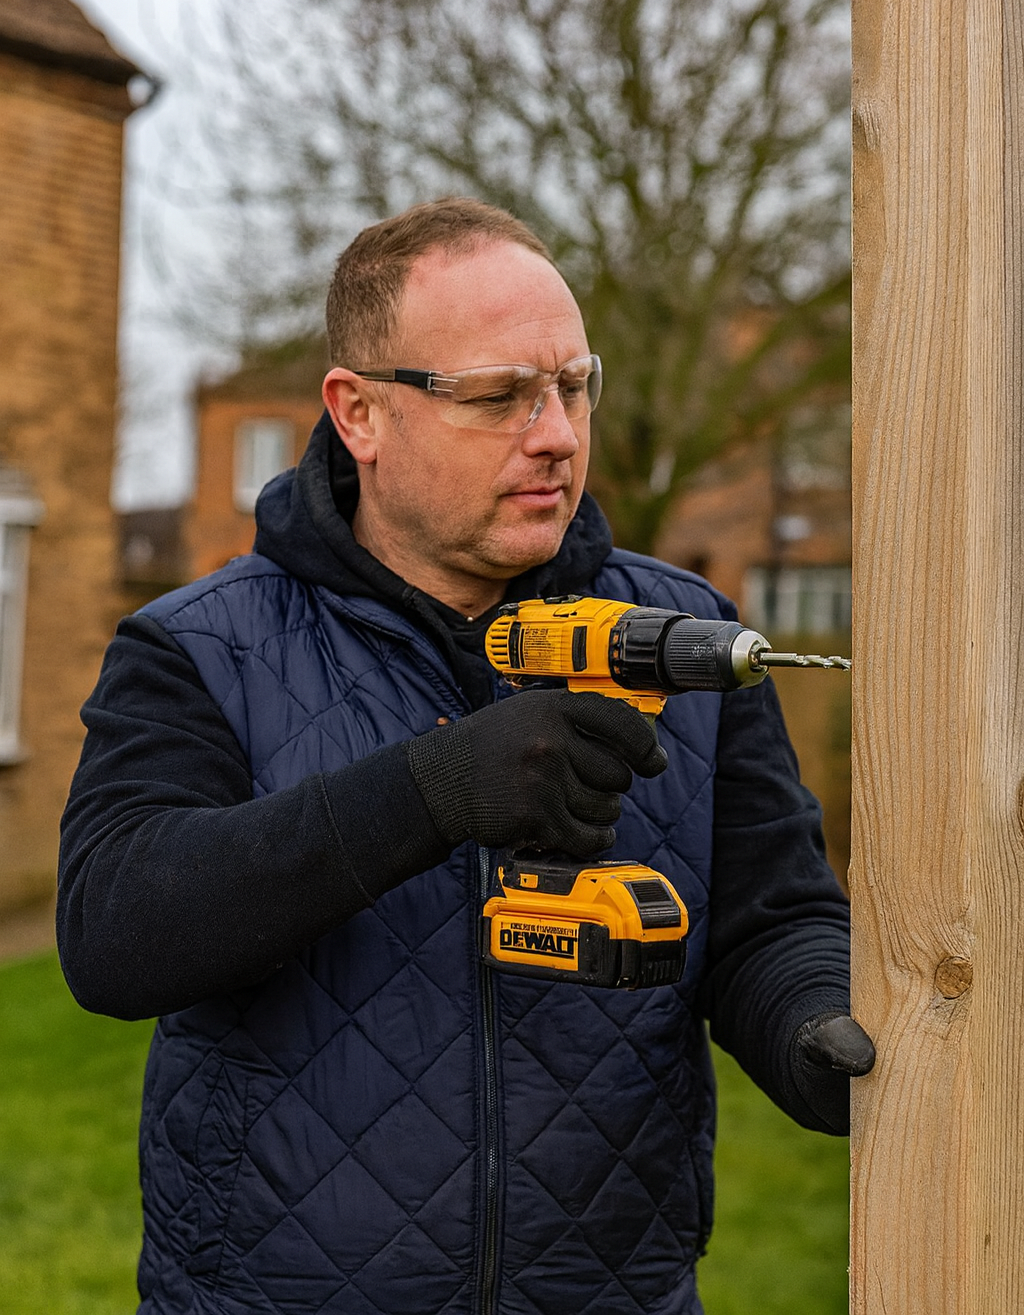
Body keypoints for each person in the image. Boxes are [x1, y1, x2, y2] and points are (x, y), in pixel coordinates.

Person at [58, 198, 873, 1315]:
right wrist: (434, 791)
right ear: (360, 415)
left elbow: (769, 922)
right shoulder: (199, 650)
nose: (556, 434)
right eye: (497, 397)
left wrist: (815, 1026)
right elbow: (113, 935)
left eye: (573, 385)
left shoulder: (681, 639)